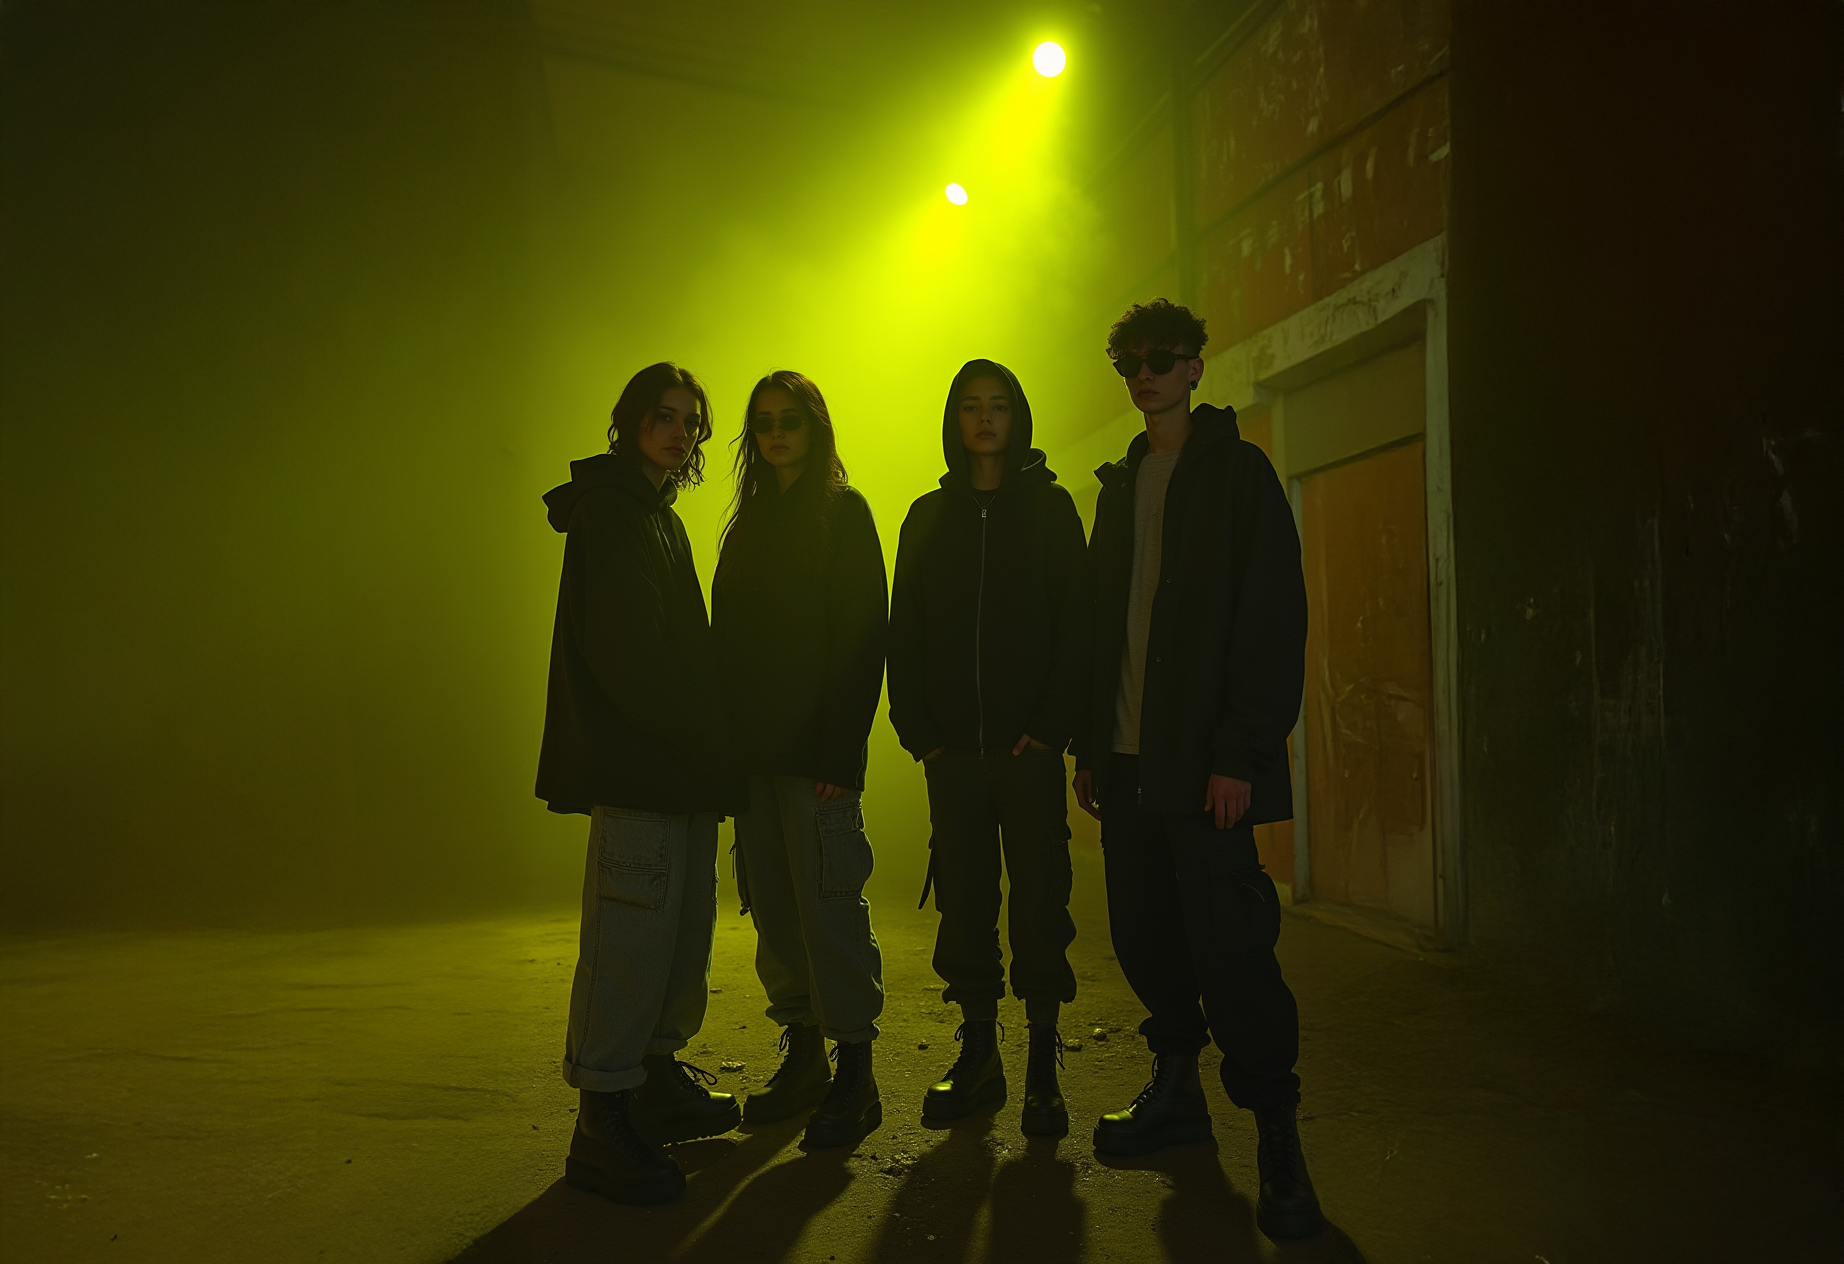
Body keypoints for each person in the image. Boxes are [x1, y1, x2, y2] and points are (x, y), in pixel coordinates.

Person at [1070, 300, 1322, 1240]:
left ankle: (1278, 1140)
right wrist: (1093, 748)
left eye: (1161, 358)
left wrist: (1239, 756)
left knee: (1233, 951)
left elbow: (1272, 621)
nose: (1144, 374)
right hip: (1129, 763)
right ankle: (1177, 1089)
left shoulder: (1238, 476)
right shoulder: (1119, 485)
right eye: (1129, 362)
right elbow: (1102, 626)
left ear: (1195, 368)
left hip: (1205, 766)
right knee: (1146, 935)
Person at [536, 362, 746, 1205]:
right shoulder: (613, 513)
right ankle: (601, 1122)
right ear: (629, 423)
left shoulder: (658, 516)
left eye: (691, 422)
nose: (679, 432)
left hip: (679, 771)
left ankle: (652, 1082)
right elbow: (627, 656)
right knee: (628, 945)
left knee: (678, 938)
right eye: (663, 416)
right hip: (640, 769)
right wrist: (705, 736)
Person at [887, 359, 1088, 1137]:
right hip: (953, 760)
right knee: (965, 908)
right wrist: (922, 736)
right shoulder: (926, 517)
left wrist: (1051, 728)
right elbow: (904, 632)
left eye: (998, 405)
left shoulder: (1052, 511)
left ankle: (1042, 1065)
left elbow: (1077, 625)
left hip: (1027, 755)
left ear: (1017, 417)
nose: (984, 417)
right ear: (954, 420)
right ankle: (979, 1056)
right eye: (971, 405)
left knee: (1040, 905)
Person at [711, 370, 889, 1149]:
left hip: (816, 759)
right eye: (764, 422)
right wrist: (724, 753)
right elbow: (724, 644)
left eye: (790, 419)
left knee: (829, 909)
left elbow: (863, 635)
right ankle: (806, 1054)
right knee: (777, 913)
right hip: (755, 760)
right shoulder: (747, 526)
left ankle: (857, 1072)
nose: (777, 432)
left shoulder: (845, 515)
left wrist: (841, 752)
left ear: (815, 429)